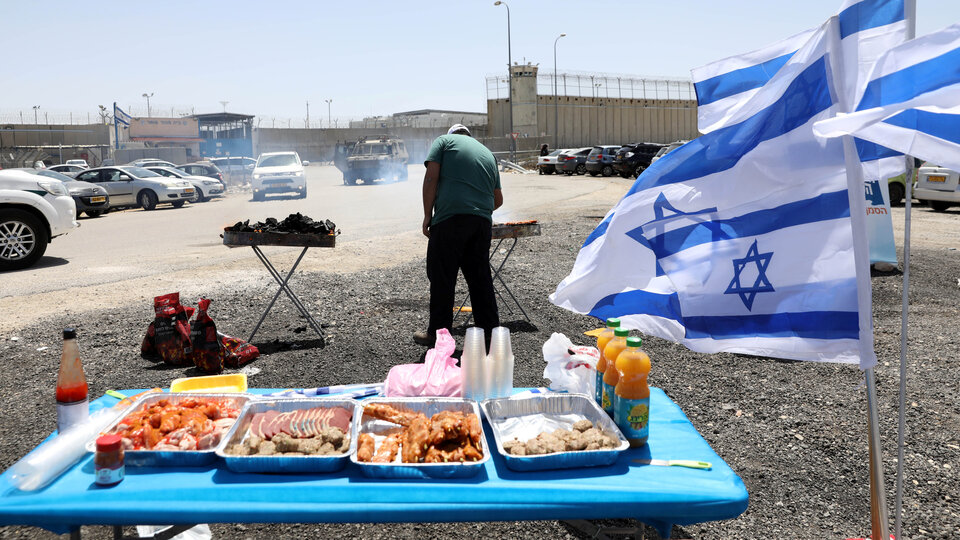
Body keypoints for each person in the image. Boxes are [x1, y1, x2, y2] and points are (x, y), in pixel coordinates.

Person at [414, 124, 503, 347]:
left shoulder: (443, 142)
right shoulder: (487, 153)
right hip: (481, 224)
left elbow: (431, 179)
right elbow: (498, 199)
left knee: (442, 279)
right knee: (480, 279)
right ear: (468, 136)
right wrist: (477, 210)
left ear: (453, 135)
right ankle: (490, 335)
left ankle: (438, 336)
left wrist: (427, 215)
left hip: (449, 220)